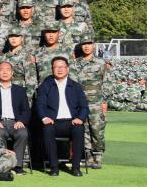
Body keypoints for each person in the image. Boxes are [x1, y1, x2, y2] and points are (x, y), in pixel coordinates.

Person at [35, 56, 89, 176]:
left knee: (79, 129)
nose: (59, 70)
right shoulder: (45, 86)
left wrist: (80, 118)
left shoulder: (76, 86)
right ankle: (54, 167)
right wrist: (44, 118)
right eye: (56, 67)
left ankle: (76, 167)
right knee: (47, 130)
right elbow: (40, 105)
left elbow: (84, 107)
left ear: (67, 69)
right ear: (52, 69)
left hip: (72, 122)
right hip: (53, 121)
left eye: (62, 67)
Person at [0, 61, 30, 174]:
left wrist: (21, 121)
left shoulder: (20, 90)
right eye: (1, 70)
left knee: (23, 133)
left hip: (15, 122)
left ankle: (18, 165)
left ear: (12, 73)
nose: (5, 72)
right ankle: (4, 166)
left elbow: (26, 110)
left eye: (8, 70)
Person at [73, 31, 108, 168]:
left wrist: (104, 101)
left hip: (96, 101)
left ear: (94, 45)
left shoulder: (100, 62)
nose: (86, 47)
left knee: (97, 128)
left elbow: (107, 82)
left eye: (89, 44)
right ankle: (88, 155)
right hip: (80, 101)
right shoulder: (76, 63)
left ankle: (97, 155)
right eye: (84, 44)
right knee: (84, 129)